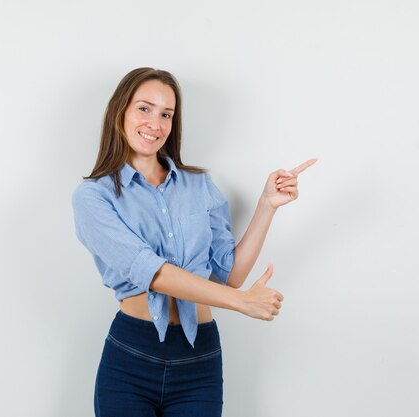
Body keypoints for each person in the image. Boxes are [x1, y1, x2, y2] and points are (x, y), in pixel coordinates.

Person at [71, 67, 316, 417]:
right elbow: (152, 272)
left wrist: (266, 205)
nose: (155, 123)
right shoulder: (94, 197)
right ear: (120, 111)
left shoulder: (199, 185)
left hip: (199, 360)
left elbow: (228, 275)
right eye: (144, 108)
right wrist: (242, 303)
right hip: (130, 359)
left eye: (166, 114)